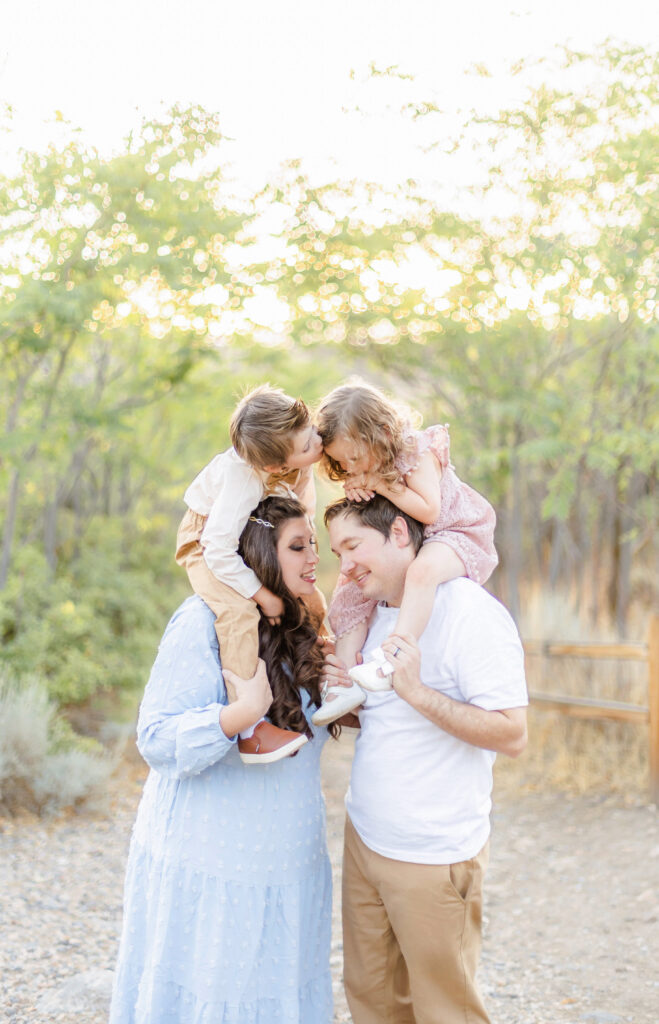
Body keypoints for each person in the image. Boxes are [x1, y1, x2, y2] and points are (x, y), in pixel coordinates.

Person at [110, 497, 336, 1024]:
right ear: (258, 552)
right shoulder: (203, 620)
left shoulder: (306, 624)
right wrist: (240, 715)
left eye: (315, 547)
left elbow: (308, 740)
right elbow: (157, 737)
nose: (312, 560)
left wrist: (340, 691)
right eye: (297, 547)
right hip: (211, 858)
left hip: (286, 859)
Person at [323, 494, 528, 1024]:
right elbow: (384, 727)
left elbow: (511, 733)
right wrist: (342, 698)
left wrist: (416, 692)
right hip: (365, 839)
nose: (343, 565)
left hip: (434, 854)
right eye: (336, 551)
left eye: (352, 546)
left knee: (446, 1010)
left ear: (396, 532)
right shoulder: (369, 615)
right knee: (371, 998)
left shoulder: (469, 612)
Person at [312, 380, 498, 727]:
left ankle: (392, 657)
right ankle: (342, 683)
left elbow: (429, 510)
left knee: (421, 573)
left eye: (354, 457)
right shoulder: (365, 465)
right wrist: (360, 493)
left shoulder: (418, 450)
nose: (351, 468)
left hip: (455, 531)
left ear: (382, 432)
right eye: (342, 462)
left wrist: (380, 485)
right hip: (417, 537)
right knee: (348, 593)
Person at [175, 383, 325, 761]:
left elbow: (301, 511)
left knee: (307, 595)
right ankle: (249, 728)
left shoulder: (280, 457)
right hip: (204, 542)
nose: (317, 444)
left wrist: (305, 469)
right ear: (274, 466)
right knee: (238, 612)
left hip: (234, 534)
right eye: (308, 447)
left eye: (313, 432)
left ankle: (329, 667)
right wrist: (261, 594)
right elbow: (218, 549)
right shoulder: (242, 480)